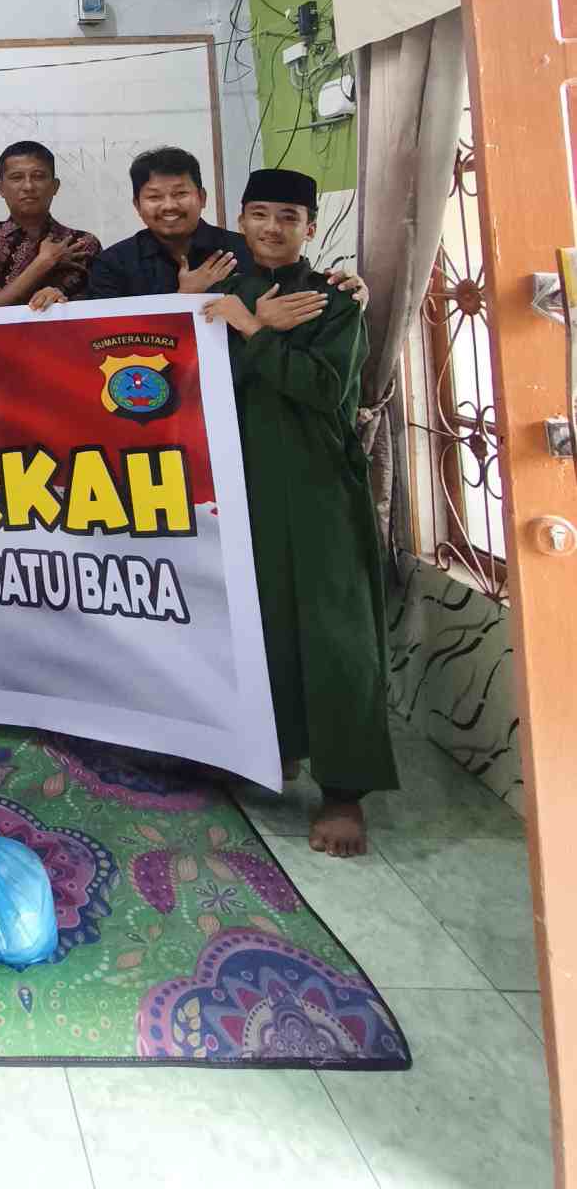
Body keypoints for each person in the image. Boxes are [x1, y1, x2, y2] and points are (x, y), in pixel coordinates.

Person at [201, 167, 397, 858]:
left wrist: (256, 330)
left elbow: (322, 388)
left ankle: (344, 791)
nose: (272, 228)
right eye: (259, 213)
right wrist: (237, 320)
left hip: (317, 487)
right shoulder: (217, 297)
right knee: (261, 623)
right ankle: (274, 749)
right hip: (239, 484)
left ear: (309, 228)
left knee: (335, 634)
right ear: (240, 220)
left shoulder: (333, 302)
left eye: (288, 217)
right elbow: (191, 380)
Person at [44, 146, 365, 308]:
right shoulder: (114, 263)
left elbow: (293, 292)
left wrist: (348, 289)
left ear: (202, 198)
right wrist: (184, 299)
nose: (169, 205)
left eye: (180, 193)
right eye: (154, 196)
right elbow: (107, 335)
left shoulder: (244, 249)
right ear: (137, 206)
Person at [0, 139, 101, 308]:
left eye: (38, 176)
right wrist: (44, 262)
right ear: (1, 189)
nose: (28, 186)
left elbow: (98, 308)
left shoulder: (82, 244)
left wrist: (59, 303)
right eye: (16, 177)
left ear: (55, 186)